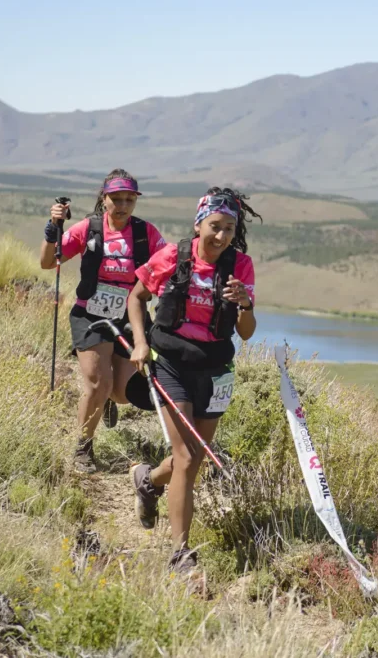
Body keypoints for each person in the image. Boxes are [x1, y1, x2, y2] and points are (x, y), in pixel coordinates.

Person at [126, 186, 260, 573]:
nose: (221, 236)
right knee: (185, 456)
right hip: (169, 363)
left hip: (216, 369)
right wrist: (139, 342)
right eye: (215, 226)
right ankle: (180, 554)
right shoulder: (173, 255)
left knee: (195, 457)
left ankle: (148, 481)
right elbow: (136, 298)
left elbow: (247, 332)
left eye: (229, 229)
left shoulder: (241, 267)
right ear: (199, 223)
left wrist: (245, 305)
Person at [40, 169, 166, 473]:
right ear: (104, 198)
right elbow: (47, 263)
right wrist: (52, 230)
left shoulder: (145, 233)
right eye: (116, 199)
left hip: (129, 315)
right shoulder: (89, 228)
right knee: (98, 383)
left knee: (123, 393)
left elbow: (168, 265)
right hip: (90, 314)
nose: (122, 205)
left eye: (129, 199)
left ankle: (109, 400)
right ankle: (82, 448)